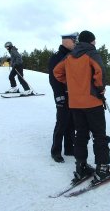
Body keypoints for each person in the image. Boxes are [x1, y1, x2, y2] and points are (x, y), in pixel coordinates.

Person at [54, 30, 110, 183]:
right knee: (99, 135)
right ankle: (102, 167)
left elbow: (57, 72)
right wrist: (100, 88)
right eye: (94, 40)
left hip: (75, 103)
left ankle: (81, 166)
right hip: (92, 101)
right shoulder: (91, 53)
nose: (95, 43)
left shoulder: (69, 56)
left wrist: (72, 84)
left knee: (81, 134)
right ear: (91, 41)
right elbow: (100, 72)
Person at [48, 32, 78, 163]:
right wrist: (59, 96)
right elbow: (53, 79)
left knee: (72, 122)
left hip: (73, 95)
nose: (75, 43)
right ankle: (55, 151)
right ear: (66, 41)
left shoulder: (73, 55)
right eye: (73, 40)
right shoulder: (56, 57)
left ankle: (69, 148)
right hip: (62, 95)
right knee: (61, 123)